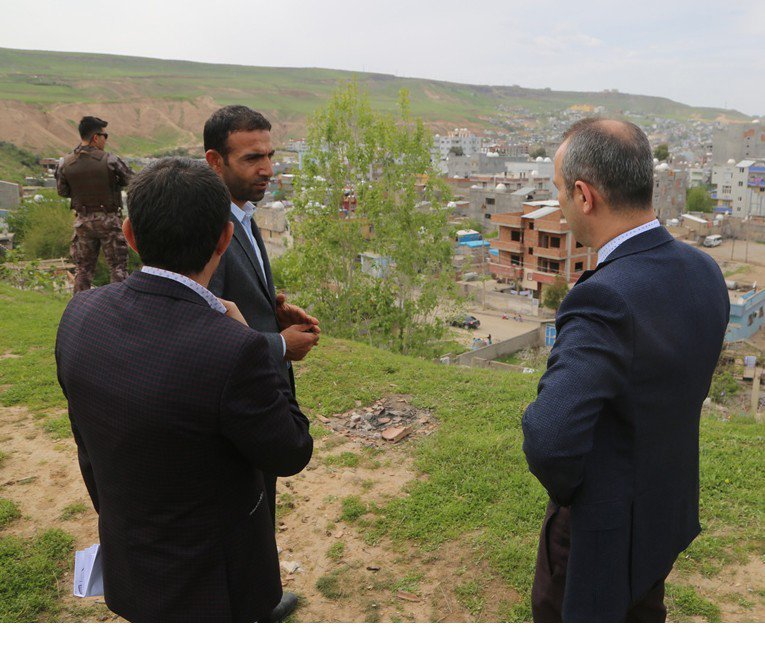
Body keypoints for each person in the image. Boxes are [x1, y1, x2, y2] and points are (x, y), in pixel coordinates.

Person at [55, 157, 313, 622]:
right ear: (224, 238)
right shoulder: (235, 350)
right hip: (218, 584)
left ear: (130, 235)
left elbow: (89, 442)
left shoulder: (80, 316)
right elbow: (291, 450)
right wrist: (261, 345)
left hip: (131, 561)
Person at [521, 118, 729, 622]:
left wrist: (577, 493)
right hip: (663, 514)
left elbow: (548, 436)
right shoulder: (705, 271)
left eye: (557, 191)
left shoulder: (605, 297)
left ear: (583, 195)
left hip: (601, 535)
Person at [204, 105, 319, 620]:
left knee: (259, 502)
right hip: (236, 400)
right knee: (241, 509)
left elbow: (234, 299)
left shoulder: (242, 215)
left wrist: (272, 307)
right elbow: (202, 327)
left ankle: (259, 599)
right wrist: (278, 346)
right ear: (214, 161)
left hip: (257, 391)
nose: (268, 168)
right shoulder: (207, 227)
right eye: (252, 158)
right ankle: (250, 609)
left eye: (270, 155)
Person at [56, 116, 133, 293]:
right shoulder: (110, 160)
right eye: (105, 136)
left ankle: (78, 309)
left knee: (83, 270)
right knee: (118, 269)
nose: (106, 140)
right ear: (96, 137)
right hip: (109, 221)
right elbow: (132, 179)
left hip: (82, 222)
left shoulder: (65, 163)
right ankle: (117, 310)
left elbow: (62, 191)